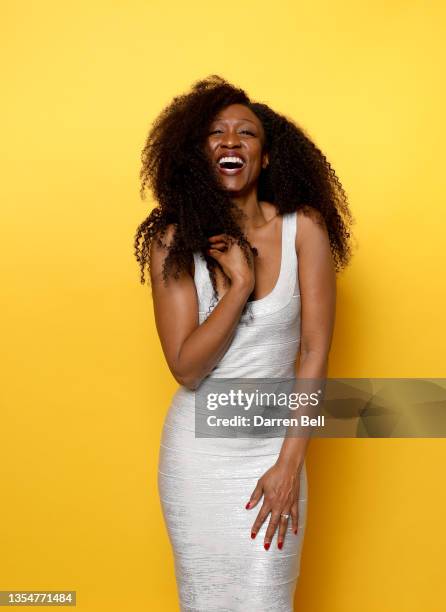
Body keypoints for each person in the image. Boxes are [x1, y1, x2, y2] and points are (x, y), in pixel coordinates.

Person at [134, 75, 354, 611]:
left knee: (267, 598)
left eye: (246, 133)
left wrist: (289, 465)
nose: (231, 141)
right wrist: (239, 290)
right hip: (197, 457)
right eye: (216, 133)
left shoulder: (303, 230)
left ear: (267, 154)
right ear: (198, 153)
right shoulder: (173, 239)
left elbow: (315, 351)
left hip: (275, 452)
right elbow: (186, 368)